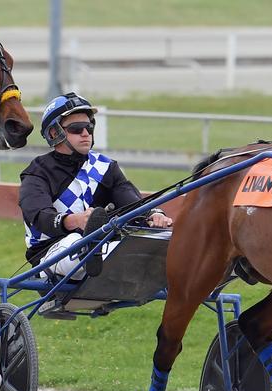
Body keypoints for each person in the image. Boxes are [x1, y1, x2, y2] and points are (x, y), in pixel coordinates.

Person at [19, 92, 172, 279]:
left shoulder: (105, 166)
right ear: (54, 132)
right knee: (76, 240)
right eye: (76, 128)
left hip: (101, 246)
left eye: (89, 127)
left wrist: (153, 214)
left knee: (158, 238)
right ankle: (93, 253)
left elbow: (130, 201)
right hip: (49, 255)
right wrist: (76, 220)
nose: (85, 133)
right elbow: (41, 218)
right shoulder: (37, 173)